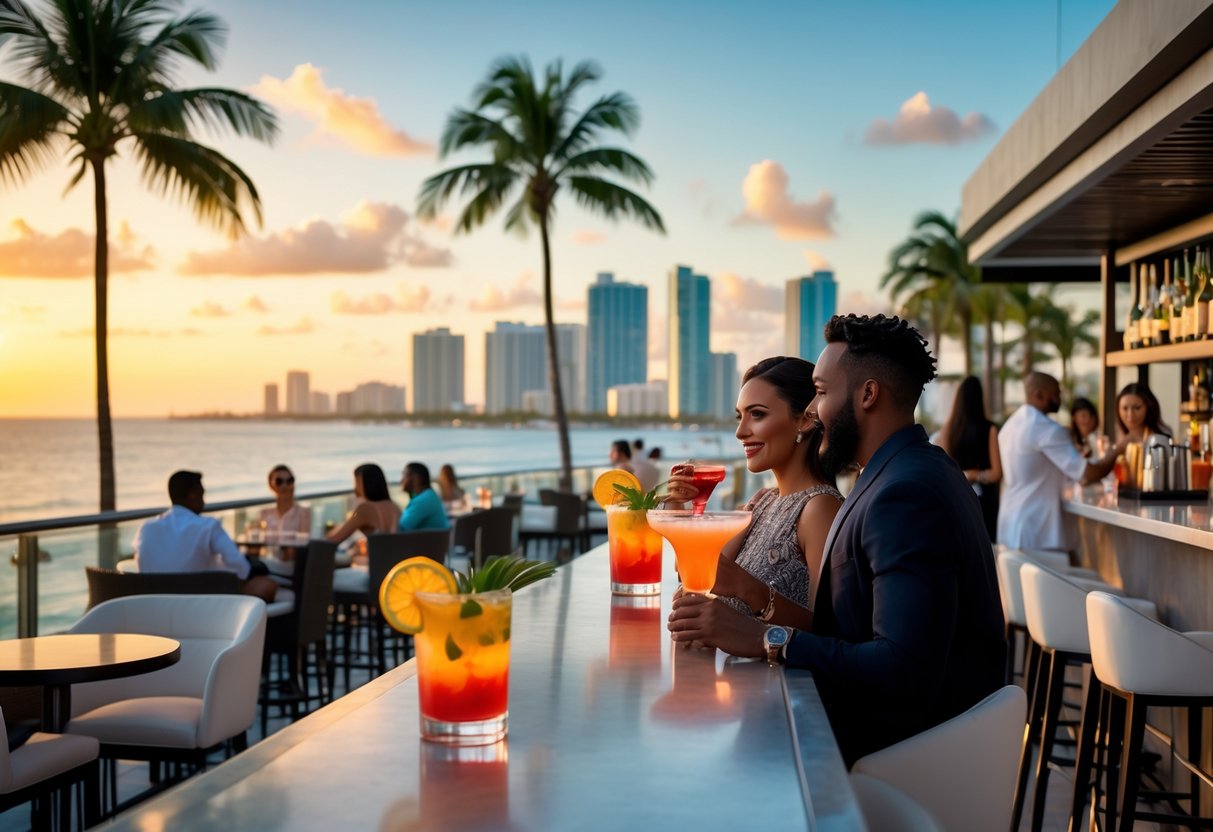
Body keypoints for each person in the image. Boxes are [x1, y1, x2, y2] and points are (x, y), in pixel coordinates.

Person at [669, 314, 1007, 765]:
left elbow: (902, 670)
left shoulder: (904, 495)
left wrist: (766, 638)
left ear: (868, 395)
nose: (811, 411)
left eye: (822, 393)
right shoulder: (910, 473)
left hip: (903, 756)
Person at [665, 356, 843, 631]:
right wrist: (677, 506)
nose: (740, 431)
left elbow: (830, 631)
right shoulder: (763, 501)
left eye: (757, 414)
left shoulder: (820, 508)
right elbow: (693, 572)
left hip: (782, 675)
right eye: (740, 416)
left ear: (805, 420)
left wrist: (748, 589)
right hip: (735, 673)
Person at [998, 372, 1128, 551]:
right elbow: (1088, 474)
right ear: (1038, 394)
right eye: (1056, 393)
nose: (1060, 398)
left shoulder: (1010, 425)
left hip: (1010, 524)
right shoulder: (1045, 428)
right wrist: (1117, 450)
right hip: (1036, 531)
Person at [134, 470, 278, 602]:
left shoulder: (146, 528)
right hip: (200, 606)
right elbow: (239, 566)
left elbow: (142, 564)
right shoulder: (208, 526)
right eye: (202, 494)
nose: (204, 501)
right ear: (193, 494)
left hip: (153, 604)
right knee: (266, 585)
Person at [938, 376, 1001, 540]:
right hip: (985, 503)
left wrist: (963, 475)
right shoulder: (990, 429)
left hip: (956, 499)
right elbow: (996, 473)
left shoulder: (948, 430)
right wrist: (976, 475)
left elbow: (942, 469)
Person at [326, 463, 401, 548]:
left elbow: (333, 539)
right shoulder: (394, 506)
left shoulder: (366, 508)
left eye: (356, 482)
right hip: (398, 558)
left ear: (365, 484)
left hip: (380, 558)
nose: (355, 488)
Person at [258, 464, 312, 566]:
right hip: (266, 564)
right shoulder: (264, 514)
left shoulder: (303, 512)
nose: (285, 485)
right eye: (279, 481)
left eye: (290, 480)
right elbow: (258, 546)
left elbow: (300, 548)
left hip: (291, 566)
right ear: (271, 485)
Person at [398, 462, 450, 532]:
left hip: (429, 542)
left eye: (404, 475)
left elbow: (400, 529)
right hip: (435, 541)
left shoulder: (423, 500)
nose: (401, 481)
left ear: (417, 478)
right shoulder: (429, 495)